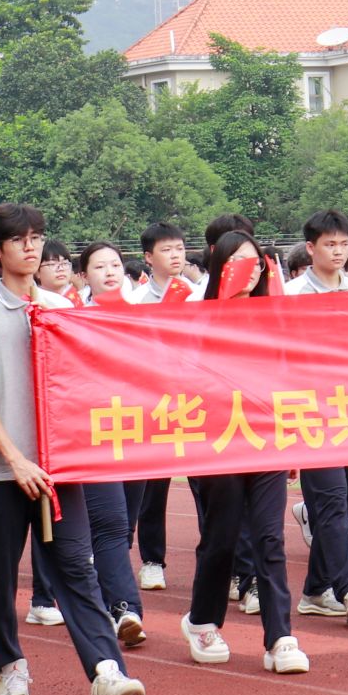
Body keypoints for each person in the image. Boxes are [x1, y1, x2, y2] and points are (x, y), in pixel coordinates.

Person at [0, 203, 147, 695]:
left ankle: (107, 672)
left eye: (37, 237)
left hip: (61, 469)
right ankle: (9, 668)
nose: (32, 247)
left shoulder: (62, 308)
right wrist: (15, 459)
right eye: (19, 239)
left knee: (76, 570)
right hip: (3, 470)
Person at [178, 232, 307, 675]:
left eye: (256, 262)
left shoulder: (274, 316)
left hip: (266, 440)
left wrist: (291, 440)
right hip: (220, 442)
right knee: (223, 537)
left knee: (270, 537)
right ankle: (202, 621)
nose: (249, 270)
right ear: (219, 265)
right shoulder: (198, 316)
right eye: (238, 261)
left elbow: (287, 377)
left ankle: (280, 636)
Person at [282, 210, 348, 624]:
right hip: (309, 413)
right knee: (334, 501)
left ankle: (315, 591)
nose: (338, 252)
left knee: (344, 505)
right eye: (329, 244)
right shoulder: (290, 295)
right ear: (311, 248)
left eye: (343, 244)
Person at [127, 221, 190, 593]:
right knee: (153, 487)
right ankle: (152, 561)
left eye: (179, 248)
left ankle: (232, 568)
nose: (176, 255)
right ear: (149, 257)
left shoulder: (198, 295)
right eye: (166, 250)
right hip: (154, 402)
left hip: (197, 401)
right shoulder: (135, 302)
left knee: (209, 487)